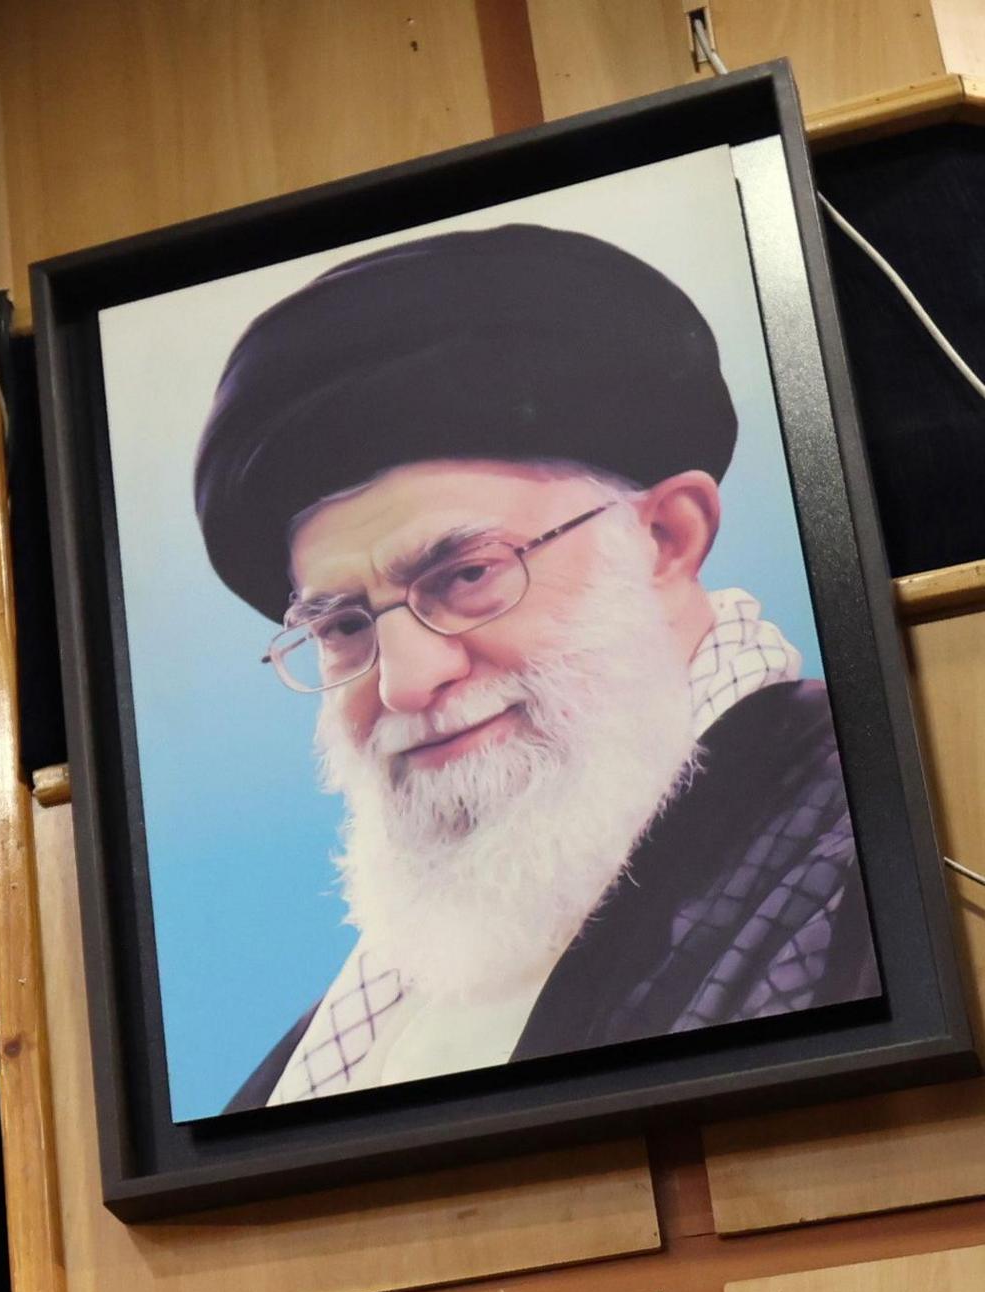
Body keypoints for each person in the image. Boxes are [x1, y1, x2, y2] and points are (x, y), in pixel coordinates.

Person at [195, 222, 877, 1114]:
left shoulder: (863, 836)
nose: (403, 682)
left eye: (466, 575)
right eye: (345, 627)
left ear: (666, 538)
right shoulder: (344, 1035)